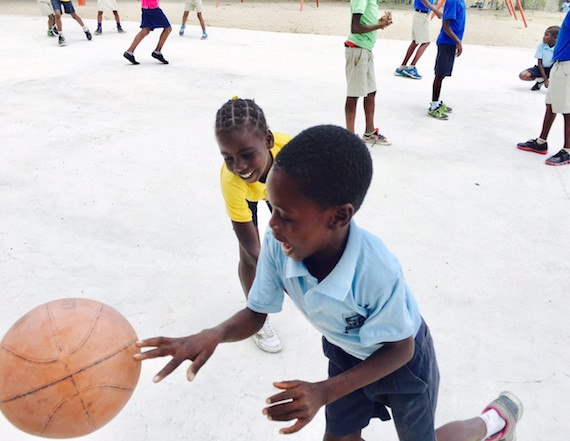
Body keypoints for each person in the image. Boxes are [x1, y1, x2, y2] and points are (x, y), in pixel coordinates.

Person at [135, 124, 524, 441]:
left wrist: (323, 391)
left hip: (403, 363)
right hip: (345, 353)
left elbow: (400, 349)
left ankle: (492, 422)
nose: (271, 224)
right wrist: (213, 334)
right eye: (272, 208)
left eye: (285, 215)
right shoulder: (278, 244)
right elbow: (256, 312)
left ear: (338, 217)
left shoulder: (375, 269)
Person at [213, 97, 289, 353]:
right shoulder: (232, 182)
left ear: (268, 141)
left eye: (247, 155)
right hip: (250, 197)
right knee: (249, 258)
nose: (240, 167)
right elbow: (253, 249)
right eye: (228, 158)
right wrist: (282, 278)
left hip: (280, 186)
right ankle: (257, 315)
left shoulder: (292, 151)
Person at [516, 0, 570, 166]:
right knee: (551, 104)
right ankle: (541, 142)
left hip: (569, 64)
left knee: (567, 108)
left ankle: (567, 151)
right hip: (560, 63)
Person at [344, 0, 392, 147]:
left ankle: (370, 132)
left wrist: (380, 22)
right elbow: (355, 27)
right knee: (353, 95)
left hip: (366, 49)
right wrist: (380, 25)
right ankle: (349, 137)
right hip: (357, 50)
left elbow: (365, 24)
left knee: (371, 92)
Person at [427, 0, 466, 120]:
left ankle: (437, 102)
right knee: (439, 74)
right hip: (446, 42)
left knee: (442, 74)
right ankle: (434, 106)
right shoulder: (453, 1)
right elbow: (445, 25)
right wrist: (458, 41)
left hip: (451, 43)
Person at [395, 0, 442, 80]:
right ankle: (411, 67)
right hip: (421, 15)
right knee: (426, 42)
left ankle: (402, 67)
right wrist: (435, 10)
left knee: (415, 42)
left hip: (421, 14)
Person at [123, 0, 172, 65]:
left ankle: (130, 51)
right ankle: (157, 51)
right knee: (168, 29)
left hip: (146, 7)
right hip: (152, 7)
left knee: (145, 30)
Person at [518, 26, 559, 91]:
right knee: (523, 75)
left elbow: (557, 63)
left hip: (553, 70)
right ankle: (540, 80)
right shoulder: (541, 46)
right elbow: (539, 63)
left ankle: (552, 84)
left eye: (546, 35)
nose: (543, 37)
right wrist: (545, 79)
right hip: (541, 68)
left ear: (555, 38)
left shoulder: (558, 48)